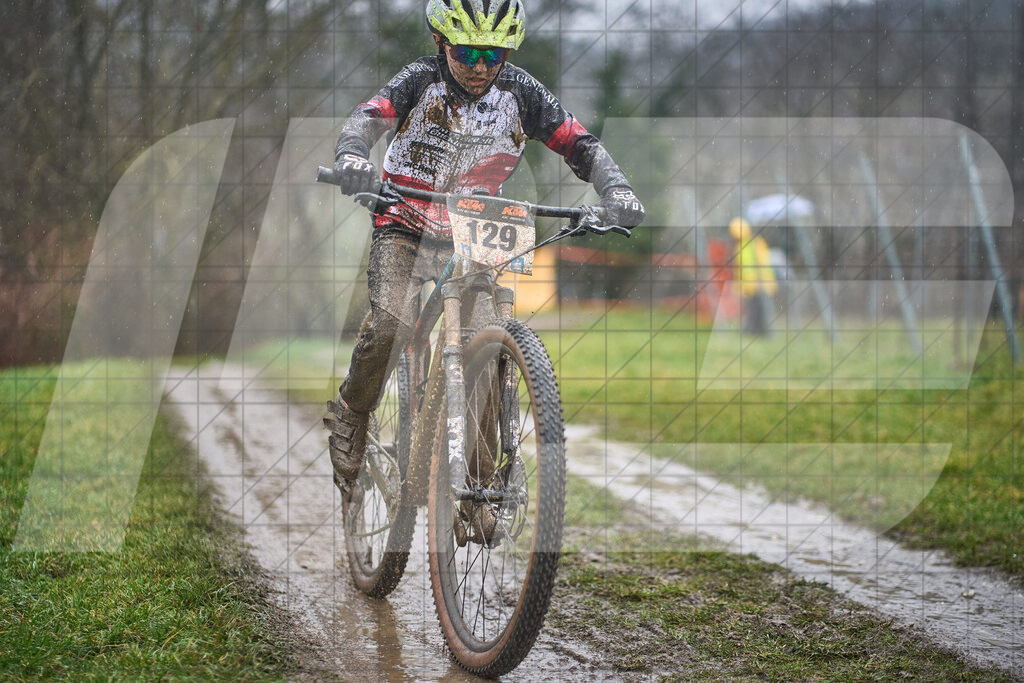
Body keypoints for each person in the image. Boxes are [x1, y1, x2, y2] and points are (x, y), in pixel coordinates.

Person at [325, 0, 645, 500]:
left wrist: (617, 190)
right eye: (467, 51)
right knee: (391, 324)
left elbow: (579, 143)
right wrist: (351, 156)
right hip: (405, 219)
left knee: (485, 350)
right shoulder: (419, 80)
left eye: (492, 53)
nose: (479, 66)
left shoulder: (521, 92)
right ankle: (352, 412)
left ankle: (475, 484)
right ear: (440, 42)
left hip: (474, 228)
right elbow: (369, 116)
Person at [729, 217, 777, 337]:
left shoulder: (755, 243)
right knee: (752, 309)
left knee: (760, 310)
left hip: (760, 283)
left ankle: (762, 332)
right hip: (749, 285)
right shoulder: (740, 246)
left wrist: (760, 280)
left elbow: (763, 263)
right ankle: (753, 331)